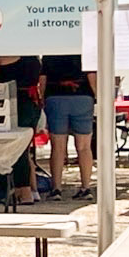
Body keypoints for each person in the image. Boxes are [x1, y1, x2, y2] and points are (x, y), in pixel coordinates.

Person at [0, 54, 43, 205]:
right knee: (25, 149)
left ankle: (24, 191)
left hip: (14, 104)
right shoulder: (34, 57)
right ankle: (31, 190)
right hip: (31, 103)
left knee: (17, 148)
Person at [40, 53, 97, 200]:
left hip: (55, 97)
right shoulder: (84, 52)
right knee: (84, 146)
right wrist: (97, 97)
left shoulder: (50, 53)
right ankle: (85, 187)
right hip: (83, 97)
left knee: (57, 147)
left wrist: (42, 99)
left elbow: (43, 79)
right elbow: (92, 77)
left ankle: (56, 189)